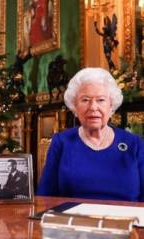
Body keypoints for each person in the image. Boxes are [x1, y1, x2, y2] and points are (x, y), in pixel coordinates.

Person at [37, 67, 144, 202]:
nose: (93, 107)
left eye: (100, 100)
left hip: (125, 221)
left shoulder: (134, 144)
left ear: (111, 107)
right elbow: (45, 197)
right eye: (85, 100)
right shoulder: (62, 142)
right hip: (72, 221)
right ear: (75, 107)